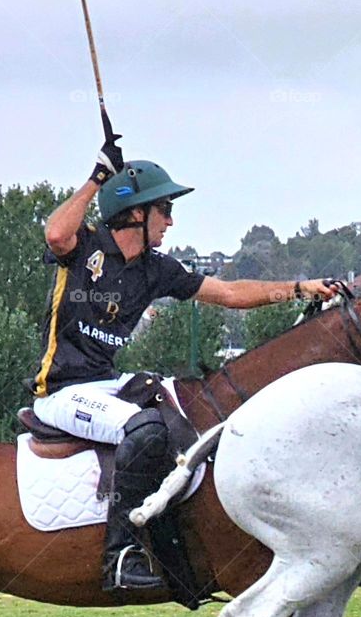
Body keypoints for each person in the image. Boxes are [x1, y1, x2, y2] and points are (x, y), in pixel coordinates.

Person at [34, 138, 339, 592]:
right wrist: (98, 176)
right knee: (145, 430)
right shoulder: (87, 247)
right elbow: (56, 233)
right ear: (136, 212)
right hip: (60, 392)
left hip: (107, 384)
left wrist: (298, 287)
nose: (171, 221)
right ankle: (120, 554)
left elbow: (230, 294)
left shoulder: (158, 269)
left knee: (183, 418)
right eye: (164, 210)